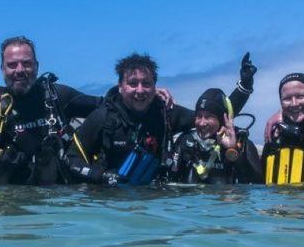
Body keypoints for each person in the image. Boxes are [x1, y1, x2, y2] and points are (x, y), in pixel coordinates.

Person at [67, 53, 253, 185]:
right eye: (133, 83)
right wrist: (103, 177)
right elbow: (71, 160)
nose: (140, 90)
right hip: (110, 203)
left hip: (153, 206)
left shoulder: (166, 114)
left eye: (146, 84)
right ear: (121, 87)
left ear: (155, 86)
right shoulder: (103, 117)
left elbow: (214, 116)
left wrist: (244, 87)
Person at [0, 36, 108, 185]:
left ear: (37, 66)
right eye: (12, 65)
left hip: (63, 200)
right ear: (3, 68)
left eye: (26, 63)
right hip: (13, 201)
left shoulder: (58, 97)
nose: (20, 70)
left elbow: (110, 107)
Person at [170, 88, 262, 184]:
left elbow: (256, 187)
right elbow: (170, 183)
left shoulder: (243, 144)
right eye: (199, 116)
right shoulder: (186, 142)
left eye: (208, 117)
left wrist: (232, 149)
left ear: (222, 119)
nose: (202, 123)